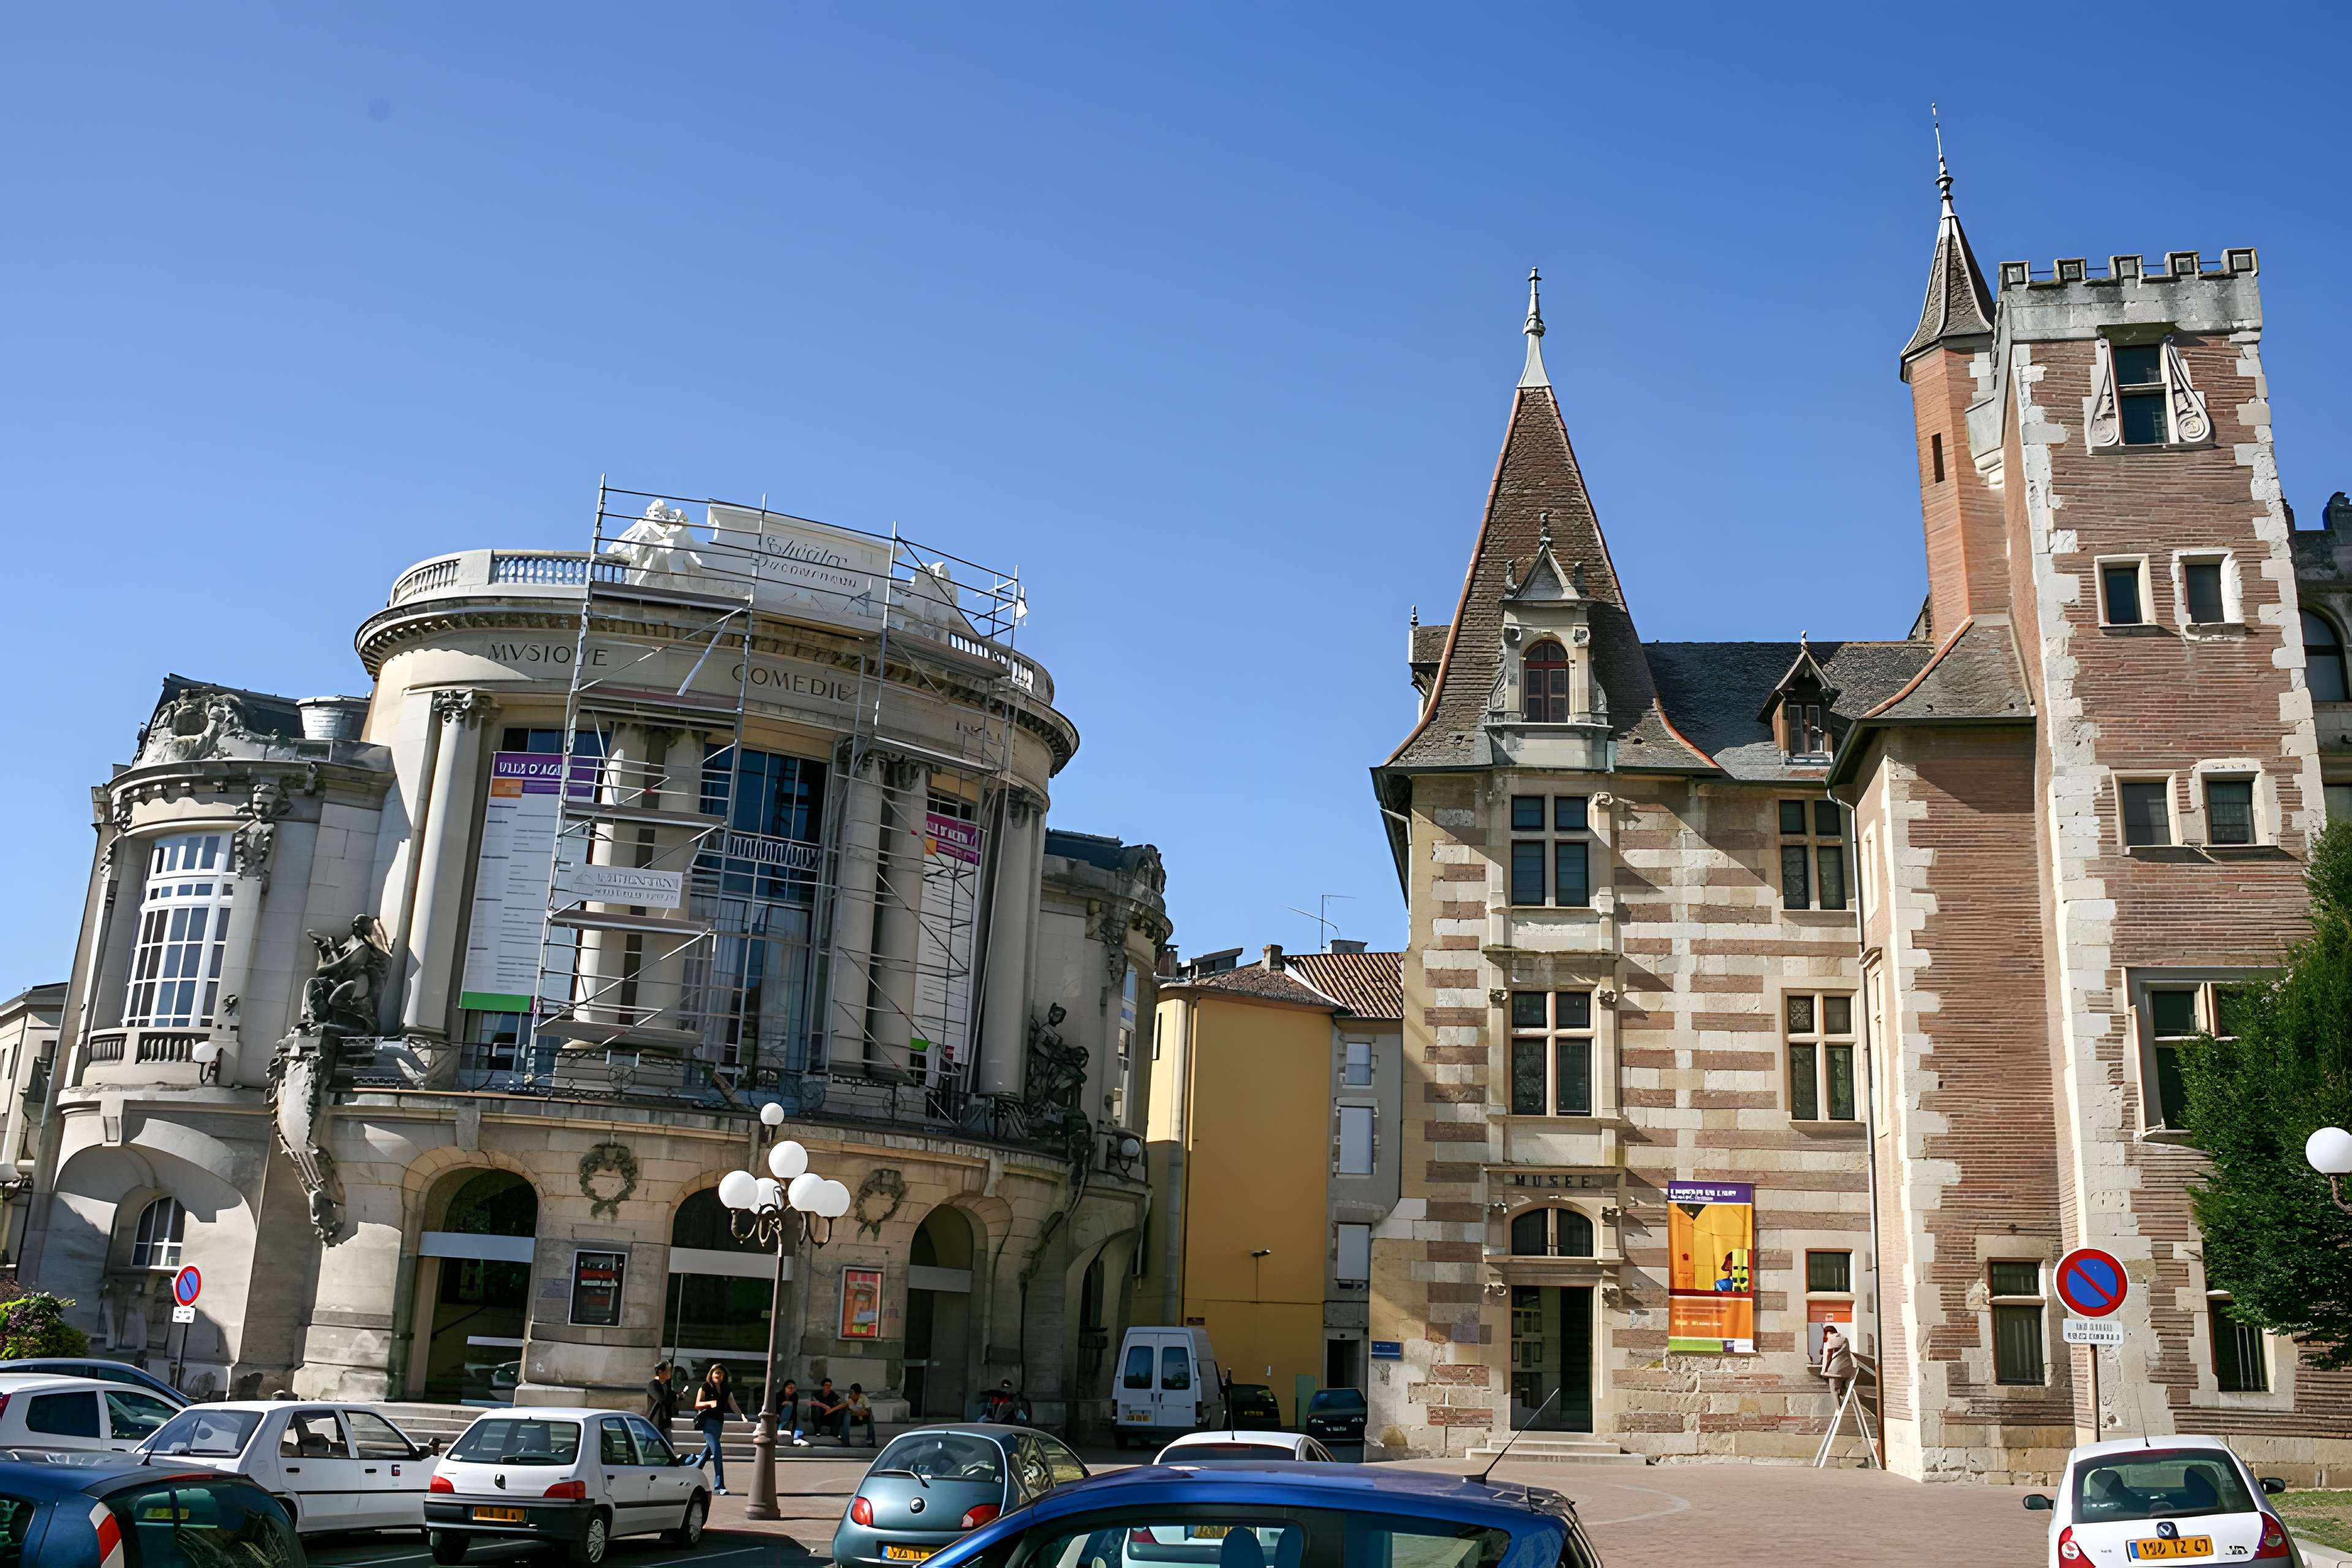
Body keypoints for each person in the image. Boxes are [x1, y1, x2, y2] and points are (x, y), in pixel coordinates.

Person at [692, 1362, 744, 1493]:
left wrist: (742, 1416)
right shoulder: (705, 1387)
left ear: (724, 1376)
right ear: (711, 1374)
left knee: (707, 1453)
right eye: (716, 1373)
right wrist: (709, 1403)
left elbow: (733, 1405)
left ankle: (691, 1470)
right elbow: (697, 1405)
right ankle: (719, 1486)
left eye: (721, 1374)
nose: (718, 1376)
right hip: (708, 1422)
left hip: (719, 1423)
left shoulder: (727, 1389)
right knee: (717, 1453)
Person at [1819, 1323, 1856, 1411]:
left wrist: (1824, 1371)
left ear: (1827, 1333)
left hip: (1836, 1369)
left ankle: (1837, 1407)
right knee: (1844, 1385)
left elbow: (1829, 1357)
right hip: (1848, 1368)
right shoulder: (1844, 1338)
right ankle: (1844, 1396)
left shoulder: (1832, 1339)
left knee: (1833, 1386)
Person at [809, 1378, 848, 1442]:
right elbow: (813, 1402)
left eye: (830, 1385)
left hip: (829, 1416)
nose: (828, 1387)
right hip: (819, 1416)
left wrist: (842, 1401)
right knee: (816, 1408)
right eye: (827, 1385)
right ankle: (817, 1431)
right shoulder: (817, 1394)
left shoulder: (833, 1394)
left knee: (838, 1410)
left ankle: (835, 1432)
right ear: (823, 1386)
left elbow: (839, 1402)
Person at [646, 1360, 678, 1436]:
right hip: (655, 1422)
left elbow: (671, 1396)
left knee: (668, 1445)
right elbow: (661, 1400)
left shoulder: (666, 1385)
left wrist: (677, 1396)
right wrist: (674, 1397)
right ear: (661, 1372)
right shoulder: (653, 1385)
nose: (670, 1373)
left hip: (666, 1422)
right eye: (668, 1370)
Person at [842, 1383, 876, 1448]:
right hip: (851, 1418)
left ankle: (871, 1441)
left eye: (852, 1392)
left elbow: (869, 1411)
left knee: (871, 1417)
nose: (850, 1393)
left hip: (861, 1418)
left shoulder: (863, 1398)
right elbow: (848, 1411)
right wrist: (859, 1413)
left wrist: (859, 1413)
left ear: (857, 1394)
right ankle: (846, 1442)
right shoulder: (847, 1397)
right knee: (847, 1415)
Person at [777, 1378, 809, 1447]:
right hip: (779, 1417)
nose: (792, 1390)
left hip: (790, 1416)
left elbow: (794, 1410)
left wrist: (793, 1421)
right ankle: (781, 1428)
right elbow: (776, 1409)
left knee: (797, 1423)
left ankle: (798, 1438)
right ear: (785, 1388)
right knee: (789, 1405)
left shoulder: (795, 1396)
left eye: (794, 1388)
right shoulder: (779, 1395)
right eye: (790, 1387)